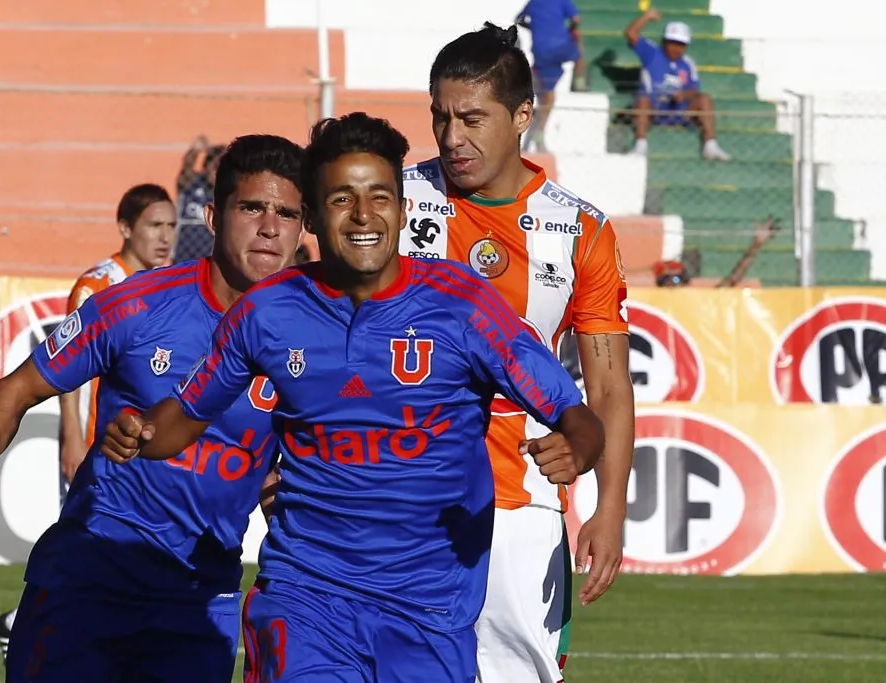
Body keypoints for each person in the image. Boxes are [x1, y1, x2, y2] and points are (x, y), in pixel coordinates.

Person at [100, 112, 606, 683]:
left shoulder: (464, 305)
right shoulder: (268, 311)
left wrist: (578, 447)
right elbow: (185, 417)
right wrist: (140, 433)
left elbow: (577, 416)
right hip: (305, 598)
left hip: (429, 611)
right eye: (342, 199)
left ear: (403, 208)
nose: (364, 216)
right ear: (313, 216)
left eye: (379, 197)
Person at [0, 134, 306, 683]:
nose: (269, 226)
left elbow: (283, 469)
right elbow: (18, 388)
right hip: (88, 583)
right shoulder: (135, 303)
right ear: (212, 217)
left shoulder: (313, 339)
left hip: (198, 600)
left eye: (286, 212)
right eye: (252, 207)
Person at [400, 23, 635, 683]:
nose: (452, 137)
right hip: (394, 490)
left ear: (523, 115)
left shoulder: (579, 230)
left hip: (523, 498)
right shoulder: (391, 199)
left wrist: (609, 506)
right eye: (441, 117)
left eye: (472, 118)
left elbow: (609, 385)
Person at [0, 182, 177, 661]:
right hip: (97, 443)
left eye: (172, 226)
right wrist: (72, 435)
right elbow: (67, 370)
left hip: (144, 444)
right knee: (83, 546)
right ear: (124, 229)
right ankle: (35, 631)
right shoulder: (98, 284)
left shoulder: (171, 285)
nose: (165, 237)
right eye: (154, 225)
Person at [624, 9, 732, 161]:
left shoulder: (687, 63)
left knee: (705, 99)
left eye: (681, 44)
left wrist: (684, 95)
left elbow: (694, 89)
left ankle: (710, 145)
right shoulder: (652, 53)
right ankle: (640, 145)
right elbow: (631, 34)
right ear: (664, 41)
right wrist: (646, 17)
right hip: (655, 107)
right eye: (673, 43)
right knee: (642, 99)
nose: (677, 48)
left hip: (678, 109)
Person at [516, 0, 587, 153]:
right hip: (561, 45)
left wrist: (534, 27)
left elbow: (519, 19)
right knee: (578, 49)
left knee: (548, 97)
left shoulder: (533, 2)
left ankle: (538, 135)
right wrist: (570, 30)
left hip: (540, 51)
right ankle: (580, 83)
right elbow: (576, 19)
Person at [175, 135, 229, 261]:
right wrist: (195, 151)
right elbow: (186, 170)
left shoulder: (226, 193)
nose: (216, 173)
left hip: (208, 258)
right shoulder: (193, 183)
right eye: (215, 167)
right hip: (181, 255)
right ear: (206, 166)